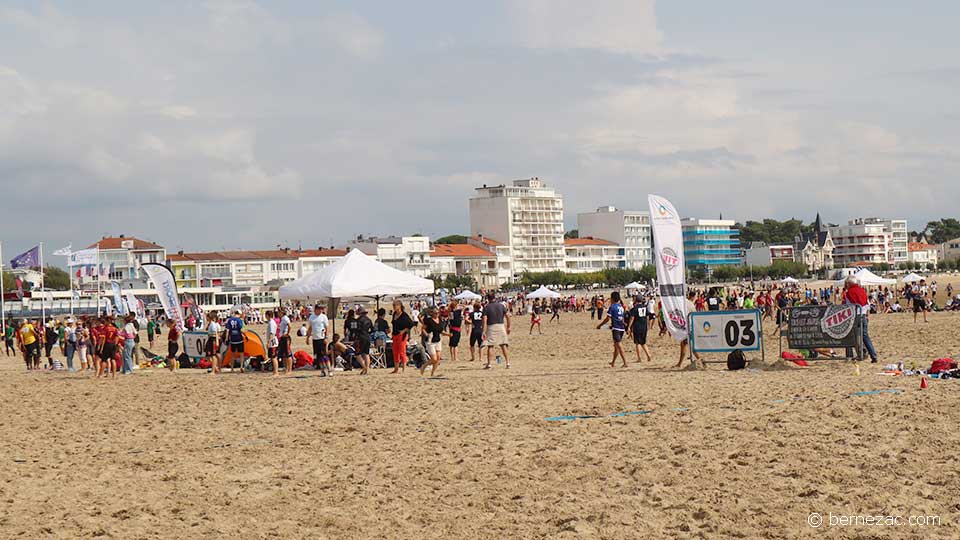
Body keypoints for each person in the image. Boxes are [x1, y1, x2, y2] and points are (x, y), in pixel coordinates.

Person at [843, 276, 878, 363]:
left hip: (855, 316)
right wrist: (866, 315)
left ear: (849, 283)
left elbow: (848, 306)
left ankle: (855, 355)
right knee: (865, 336)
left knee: (852, 336)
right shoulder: (862, 291)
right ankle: (873, 355)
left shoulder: (849, 293)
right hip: (863, 315)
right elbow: (867, 305)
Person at [597, 291, 628, 368]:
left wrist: (600, 325)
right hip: (621, 328)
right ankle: (613, 362)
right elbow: (623, 318)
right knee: (616, 346)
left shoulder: (613, 307)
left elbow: (608, 318)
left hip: (616, 328)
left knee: (619, 345)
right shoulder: (621, 307)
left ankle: (625, 362)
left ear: (613, 299)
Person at [482, 292, 511, 369]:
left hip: (491, 326)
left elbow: (485, 320)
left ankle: (489, 363)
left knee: (490, 346)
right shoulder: (501, 306)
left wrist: (483, 331)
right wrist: (508, 327)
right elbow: (508, 316)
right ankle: (508, 362)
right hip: (501, 325)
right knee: (503, 345)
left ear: (488, 298)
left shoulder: (486, 307)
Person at [677, 291, 703, 368]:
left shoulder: (683, 302)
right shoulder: (690, 304)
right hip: (689, 327)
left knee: (687, 345)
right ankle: (680, 363)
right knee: (687, 345)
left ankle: (699, 359)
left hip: (684, 326)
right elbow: (694, 316)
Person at [420, 307, 448, 377]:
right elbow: (423, 328)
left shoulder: (440, 320)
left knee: (438, 359)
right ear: (432, 314)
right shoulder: (428, 320)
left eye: (438, 313)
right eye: (435, 313)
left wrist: (448, 334)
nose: (437, 314)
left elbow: (441, 331)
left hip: (438, 340)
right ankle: (424, 365)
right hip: (430, 341)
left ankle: (433, 373)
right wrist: (426, 334)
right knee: (434, 359)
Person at [625, 295, 653, 363]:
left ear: (636, 300)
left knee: (637, 343)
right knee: (643, 342)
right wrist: (648, 325)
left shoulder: (635, 308)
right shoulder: (645, 308)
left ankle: (639, 358)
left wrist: (629, 327)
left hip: (637, 327)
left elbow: (632, 318)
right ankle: (648, 355)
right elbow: (647, 317)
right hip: (644, 327)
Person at [390, 301, 414, 374]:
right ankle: (396, 368)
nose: (394, 307)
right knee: (395, 352)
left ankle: (404, 368)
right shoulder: (394, 314)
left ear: (400, 306)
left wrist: (404, 331)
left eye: (395, 305)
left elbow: (411, 324)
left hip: (402, 336)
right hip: (394, 335)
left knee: (402, 351)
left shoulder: (404, 315)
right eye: (393, 305)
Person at [307, 305, 330, 376]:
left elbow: (327, 328)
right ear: (316, 309)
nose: (320, 310)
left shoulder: (323, 317)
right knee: (318, 356)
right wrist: (308, 337)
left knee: (324, 355)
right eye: (319, 309)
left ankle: (329, 370)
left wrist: (326, 337)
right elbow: (310, 328)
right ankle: (322, 371)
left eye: (321, 309)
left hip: (322, 338)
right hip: (315, 338)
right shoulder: (311, 317)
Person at [353, 308, 374, 375]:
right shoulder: (369, 320)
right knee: (366, 353)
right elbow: (373, 330)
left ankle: (364, 367)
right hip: (367, 337)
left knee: (357, 354)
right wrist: (368, 333)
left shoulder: (358, 320)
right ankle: (367, 369)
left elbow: (355, 330)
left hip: (360, 337)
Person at [225, 308, 246, 373]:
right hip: (239, 338)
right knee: (241, 354)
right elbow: (241, 329)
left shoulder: (229, 320)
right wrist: (245, 334)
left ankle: (232, 368)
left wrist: (226, 338)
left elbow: (227, 330)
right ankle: (241, 367)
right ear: (239, 314)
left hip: (232, 339)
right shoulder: (239, 320)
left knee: (232, 354)